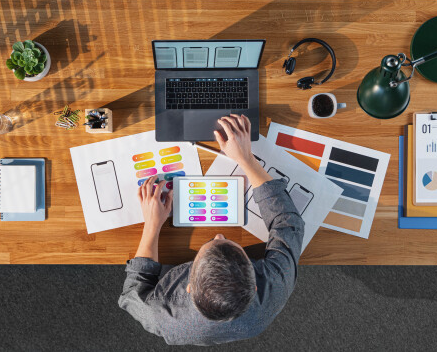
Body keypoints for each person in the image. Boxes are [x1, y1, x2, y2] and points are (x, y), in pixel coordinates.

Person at [118, 114, 305, 345]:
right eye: (225, 241)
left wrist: (152, 225)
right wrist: (246, 159)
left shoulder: (161, 318)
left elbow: (132, 293)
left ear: (188, 287)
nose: (219, 235)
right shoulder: (276, 288)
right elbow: (288, 223)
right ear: (255, 286)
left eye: (212, 243)